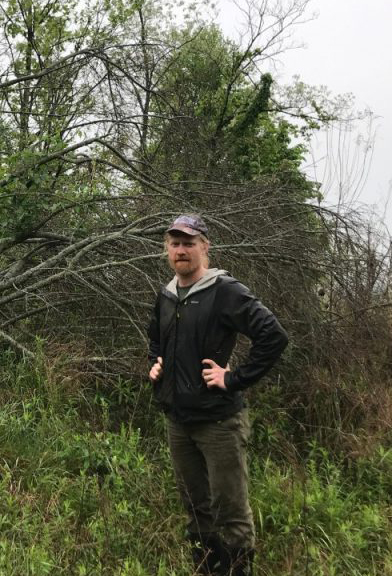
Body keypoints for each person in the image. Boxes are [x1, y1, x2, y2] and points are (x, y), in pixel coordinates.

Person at [147, 214, 288, 576]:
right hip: (179, 423)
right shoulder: (166, 295)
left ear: (204, 247)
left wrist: (234, 378)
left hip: (219, 424)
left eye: (188, 243)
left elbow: (273, 336)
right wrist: (156, 365)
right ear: (167, 248)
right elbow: (156, 341)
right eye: (175, 243)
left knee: (231, 515)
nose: (181, 250)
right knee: (196, 511)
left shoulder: (223, 290)